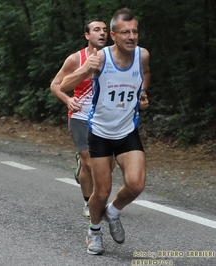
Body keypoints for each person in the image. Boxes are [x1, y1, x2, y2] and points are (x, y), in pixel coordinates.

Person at [60, 8, 150, 255]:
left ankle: (113, 211)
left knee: (136, 184)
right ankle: (94, 231)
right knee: (101, 192)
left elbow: (145, 75)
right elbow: (64, 84)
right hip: (99, 133)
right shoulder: (100, 59)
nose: (132, 37)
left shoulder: (142, 56)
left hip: (127, 131)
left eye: (135, 31)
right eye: (125, 32)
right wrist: (86, 68)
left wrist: (142, 93)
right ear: (113, 35)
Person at [50, 19, 109, 220]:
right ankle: (89, 202)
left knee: (107, 165)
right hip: (80, 116)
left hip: (106, 119)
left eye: (105, 30)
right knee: (89, 163)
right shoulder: (76, 59)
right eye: (96, 30)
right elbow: (55, 85)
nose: (102, 33)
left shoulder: (114, 57)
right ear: (87, 35)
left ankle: (97, 192)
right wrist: (67, 100)